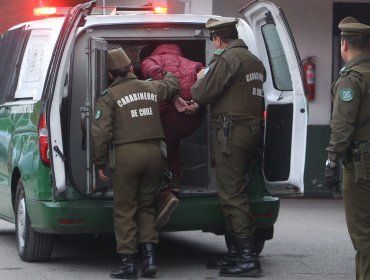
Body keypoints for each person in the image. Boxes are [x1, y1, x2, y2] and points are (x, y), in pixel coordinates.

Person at [91, 47, 183, 279]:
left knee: (125, 208)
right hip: (156, 155)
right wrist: (167, 71)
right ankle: (150, 259)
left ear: (111, 75)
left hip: (127, 156)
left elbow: (101, 132)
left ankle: (129, 263)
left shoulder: (109, 96)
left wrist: (99, 162)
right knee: (146, 206)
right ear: (131, 69)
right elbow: (173, 85)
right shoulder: (150, 87)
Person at [191, 18, 266, 277]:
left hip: (231, 134)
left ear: (217, 39)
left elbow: (201, 94)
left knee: (232, 194)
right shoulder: (253, 61)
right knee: (235, 190)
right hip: (250, 132)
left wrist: (201, 77)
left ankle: (247, 257)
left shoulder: (226, 59)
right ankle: (235, 253)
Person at [325, 16, 370, 280]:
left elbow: (342, 124)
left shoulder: (352, 79)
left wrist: (332, 160)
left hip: (363, 161)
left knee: (363, 232)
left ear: (344, 45)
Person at [141, 44, 204, 229]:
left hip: (165, 116)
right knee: (172, 144)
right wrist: (198, 105)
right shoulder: (195, 64)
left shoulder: (150, 61)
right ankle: (175, 182)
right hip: (189, 118)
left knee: (157, 149)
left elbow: (154, 73)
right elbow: (206, 83)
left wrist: (174, 97)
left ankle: (164, 191)